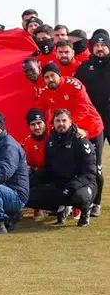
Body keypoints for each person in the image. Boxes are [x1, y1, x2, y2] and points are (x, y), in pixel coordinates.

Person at [36, 62, 104, 215]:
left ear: (59, 75)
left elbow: (83, 108)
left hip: (90, 129)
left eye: (52, 76)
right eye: (46, 77)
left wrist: (74, 128)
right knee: (67, 168)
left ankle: (96, 203)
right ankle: (69, 203)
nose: (49, 79)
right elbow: (41, 110)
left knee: (95, 169)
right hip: (69, 132)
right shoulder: (46, 92)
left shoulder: (74, 85)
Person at [27, 109, 96, 227]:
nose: (61, 124)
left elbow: (89, 174)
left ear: (70, 121)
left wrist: (72, 187)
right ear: (53, 123)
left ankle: (85, 209)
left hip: (82, 184)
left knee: (78, 196)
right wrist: (29, 181)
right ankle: (60, 208)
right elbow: (49, 169)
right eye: (57, 121)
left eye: (64, 120)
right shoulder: (51, 141)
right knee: (29, 194)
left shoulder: (81, 141)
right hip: (61, 183)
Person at [74, 30, 110, 217]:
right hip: (93, 122)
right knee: (94, 164)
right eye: (96, 45)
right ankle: (96, 202)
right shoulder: (84, 68)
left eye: (103, 45)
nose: (100, 48)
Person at [22, 108, 48, 220]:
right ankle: (38, 208)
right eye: (33, 124)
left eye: (39, 123)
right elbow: (29, 163)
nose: (37, 127)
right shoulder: (28, 142)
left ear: (44, 123)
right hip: (40, 173)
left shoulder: (54, 137)